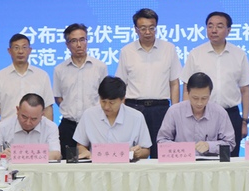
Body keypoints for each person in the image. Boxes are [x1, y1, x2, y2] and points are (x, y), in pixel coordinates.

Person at [181, 11, 249, 157]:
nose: (214, 30)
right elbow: (186, 89)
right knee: (201, 156)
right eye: (210, 26)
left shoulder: (238, 54)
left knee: (228, 159)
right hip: (201, 115)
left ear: (229, 30)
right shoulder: (196, 54)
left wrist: (244, 121)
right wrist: (186, 118)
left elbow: (245, 90)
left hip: (230, 115)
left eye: (219, 26)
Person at [116, 8, 181, 158]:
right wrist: (122, 113)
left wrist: (175, 112)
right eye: (143, 28)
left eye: (152, 28)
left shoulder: (168, 49)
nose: (148, 32)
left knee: (162, 154)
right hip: (134, 108)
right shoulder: (127, 51)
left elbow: (174, 83)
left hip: (161, 109)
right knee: (135, 152)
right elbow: (122, 85)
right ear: (136, 29)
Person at [54, 23, 107, 159]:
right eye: (74, 41)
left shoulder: (99, 67)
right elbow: (58, 98)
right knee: (71, 165)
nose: (79, 45)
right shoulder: (60, 69)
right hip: (69, 127)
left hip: (94, 125)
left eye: (82, 39)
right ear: (67, 44)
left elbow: (104, 96)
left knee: (97, 162)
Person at [0, 33, 55, 130]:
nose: (20, 51)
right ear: (9, 51)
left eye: (24, 47)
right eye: (16, 48)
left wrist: (47, 133)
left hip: (36, 132)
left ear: (30, 50)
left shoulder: (42, 76)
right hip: (8, 131)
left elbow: (48, 108)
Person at [73, 76, 151, 160]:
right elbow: (80, 145)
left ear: (122, 99)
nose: (106, 107)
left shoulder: (136, 117)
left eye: (111, 103)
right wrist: (85, 152)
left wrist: (138, 153)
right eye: (103, 101)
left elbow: (146, 151)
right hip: (96, 165)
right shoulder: (89, 115)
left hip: (125, 166)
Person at [157, 72, 235, 156]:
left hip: (210, 162)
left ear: (210, 94)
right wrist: (184, 148)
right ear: (188, 92)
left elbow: (230, 144)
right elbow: (162, 141)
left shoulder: (220, 113)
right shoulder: (174, 111)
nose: (199, 103)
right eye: (195, 98)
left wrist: (209, 146)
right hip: (182, 162)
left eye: (204, 98)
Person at [0, 93, 61, 161]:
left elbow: (56, 155)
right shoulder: (3, 126)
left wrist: (22, 156)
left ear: (42, 115)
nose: (28, 122)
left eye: (34, 119)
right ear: (17, 110)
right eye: (24, 117)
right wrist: (1, 155)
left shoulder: (50, 127)